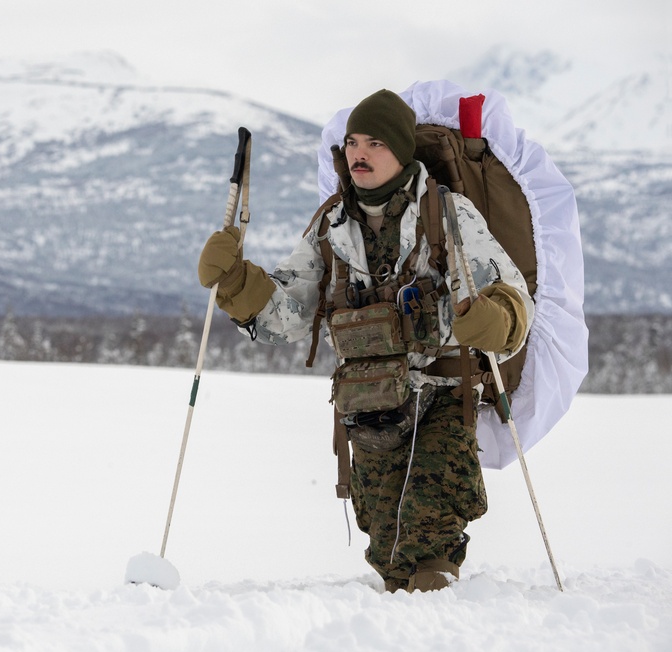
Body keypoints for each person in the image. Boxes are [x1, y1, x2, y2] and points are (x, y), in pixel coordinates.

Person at [197, 89, 534, 593]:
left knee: (426, 540)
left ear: (401, 152)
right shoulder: (331, 225)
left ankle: (444, 638)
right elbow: (289, 313)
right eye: (353, 141)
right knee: (389, 552)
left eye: (375, 142)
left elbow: (510, 297)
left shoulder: (447, 214)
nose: (359, 152)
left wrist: (496, 319)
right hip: (370, 401)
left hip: (442, 394)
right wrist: (238, 285)